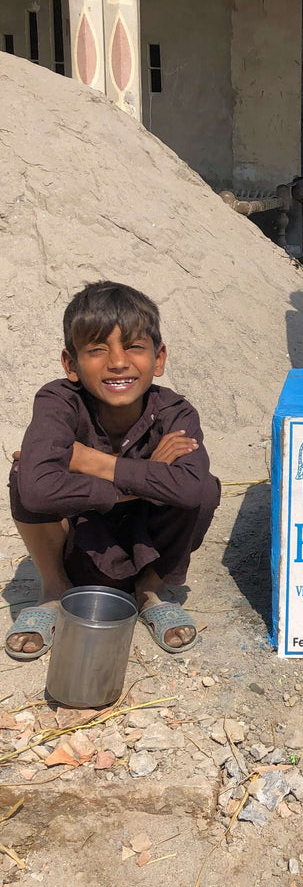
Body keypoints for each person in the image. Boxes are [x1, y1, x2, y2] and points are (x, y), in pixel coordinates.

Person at [6, 281, 221, 659]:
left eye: (134, 346)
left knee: (205, 488)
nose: (118, 361)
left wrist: (95, 463)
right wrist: (143, 478)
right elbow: (38, 489)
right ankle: (54, 592)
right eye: (96, 349)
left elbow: (188, 490)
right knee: (23, 473)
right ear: (70, 364)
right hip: (81, 545)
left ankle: (149, 592)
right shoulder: (58, 402)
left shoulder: (175, 413)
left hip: (146, 544)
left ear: (159, 358)